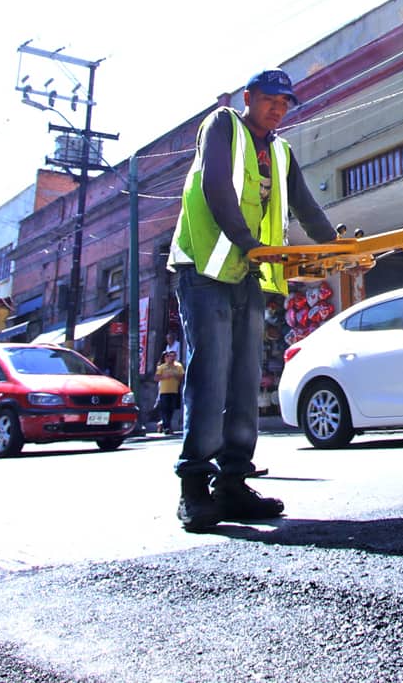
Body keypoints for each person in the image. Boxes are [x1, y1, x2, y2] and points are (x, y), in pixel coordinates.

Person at [168, 68, 336, 532]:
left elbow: (305, 204)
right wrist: (247, 241)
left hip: (246, 272)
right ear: (249, 97)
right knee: (211, 373)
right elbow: (215, 186)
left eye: (285, 103)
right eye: (269, 99)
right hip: (204, 269)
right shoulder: (222, 125)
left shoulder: (280, 151)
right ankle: (195, 487)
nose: (277, 108)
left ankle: (233, 484)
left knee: (244, 380)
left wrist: (337, 247)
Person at [153, 350, 184, 434]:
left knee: (171, 409)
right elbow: (156, 378)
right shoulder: (162, 367)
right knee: (165, 409)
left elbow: (181, 378)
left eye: (174, 356)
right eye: (170, 356)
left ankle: (164, 424)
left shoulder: (178, 366)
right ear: (167, 357)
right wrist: (164, 376)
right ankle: (167, 427)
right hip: (164, 391)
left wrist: (175, 375)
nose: (172, 358)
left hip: (174, 391)